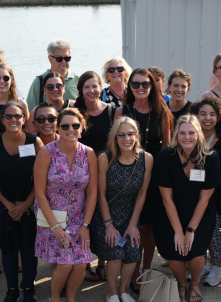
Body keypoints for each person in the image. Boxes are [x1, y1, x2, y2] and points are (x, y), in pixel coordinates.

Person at [153, 115, 220, 302]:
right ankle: (181, 284)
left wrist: (190, 230)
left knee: (196, 256)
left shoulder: (210, 158)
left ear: (198, 134)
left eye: (191, 132)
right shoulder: (166, 156)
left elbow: (204, 199)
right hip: (169, 213)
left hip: (199, 213)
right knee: (175, 257)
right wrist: (178, 232)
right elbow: (167, 199)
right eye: (182, 133)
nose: (187, 137)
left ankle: (195, 283)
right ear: (176, 135)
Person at [116, 67, 173, 290]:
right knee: (133, 226)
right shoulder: (122, 111)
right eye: (136, 84)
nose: (141, 88)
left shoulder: (162, 111)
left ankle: (146, 270)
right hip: (129, 175)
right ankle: (131, 271)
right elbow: (115, 144)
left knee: (149, 228)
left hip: (155, 175)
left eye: (145, 84)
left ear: (152, 86)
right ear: (130, 87)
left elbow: (167, 148)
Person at [34, 107, 98, 302]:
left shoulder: (89, 153)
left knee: (80, 265)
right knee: (64, 265)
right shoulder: (47, 152)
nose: (71, 129)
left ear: (81, 128)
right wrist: (55, 227)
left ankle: (70, 299)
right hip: (52, 217)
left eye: (75, 125)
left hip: (79, 218)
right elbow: (39, 192)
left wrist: (86, 226)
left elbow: (92, 191)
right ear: (58, 129)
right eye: (65, 126)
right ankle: (54, 298)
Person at [0, 102, 43, 302]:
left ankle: (29, 289)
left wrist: (26, 203)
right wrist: (9, 205)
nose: (13, 120)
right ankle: (12, 290)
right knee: (8, 245)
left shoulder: (35, 143)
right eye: (8, 116)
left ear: (24, 119)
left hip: (30, 202)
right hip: (1, 203)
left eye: (17, 116)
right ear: (2, 120)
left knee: (28, 246)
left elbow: (41, 179)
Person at [90, 116, 152, 302]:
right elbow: (100, 195)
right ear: (115, 138)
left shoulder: (146, 158)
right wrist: (109, 225)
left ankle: (123, 291)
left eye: (130, 134)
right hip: (105, 215)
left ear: (137, 135)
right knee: (116, 254)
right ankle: (112, 293)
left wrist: (133, 224)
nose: (126, 138)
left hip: (130, 214)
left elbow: (142, 194)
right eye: (121, 134)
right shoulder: (105, 158)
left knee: (133, 253)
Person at [188, 98, 221, 286]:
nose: (207, 118)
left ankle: (218, 266)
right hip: (195, 193)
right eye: (203, 114)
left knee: (212, 228)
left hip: (219, 192)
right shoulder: (190, 136)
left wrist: (200, 183)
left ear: (218, 117)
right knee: (198, 227)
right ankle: (206, 264)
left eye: (212, 114)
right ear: (195, 116)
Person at [26, 39, 79, 109]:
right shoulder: (39, 81)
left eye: (67, 58)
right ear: (50, 59)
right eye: (59, 59)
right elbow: (30, 109)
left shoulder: (78, 80)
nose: (63, 61)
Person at [75, 71, 117, 155]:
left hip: (106, 163)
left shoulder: (112, 111)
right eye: (86, 87)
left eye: (94, 86)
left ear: (101, 88)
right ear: (81, 90)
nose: (91, 90)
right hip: (82, 164)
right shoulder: (75, 113)